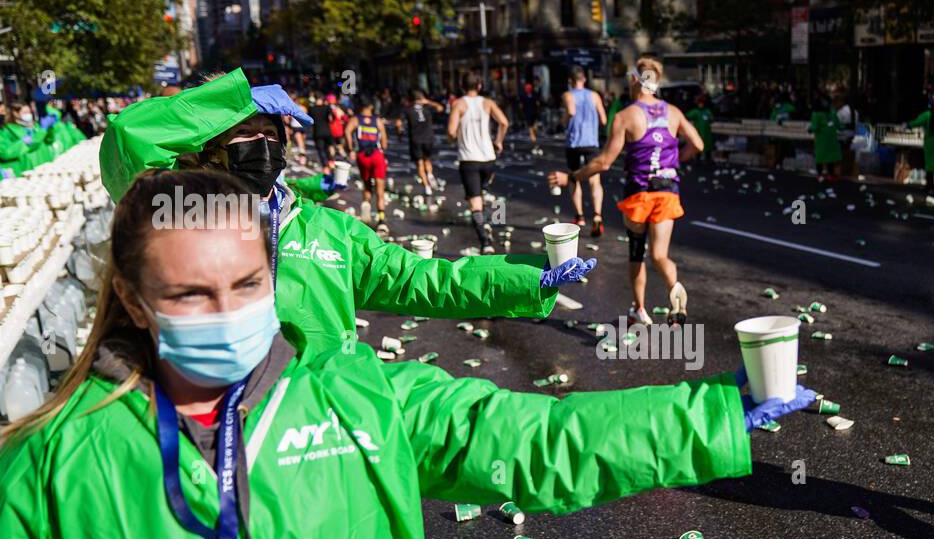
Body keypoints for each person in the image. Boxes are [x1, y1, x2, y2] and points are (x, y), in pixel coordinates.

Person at [0, 166, 814, 539]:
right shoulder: (53, 454)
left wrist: (704, 418)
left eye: (248, 284)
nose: (230, 314)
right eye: (191, 295)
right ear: (137, 304)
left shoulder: (358, 394)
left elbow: (524, 435)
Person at [97, 69, 590, 361]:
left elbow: (423, 280)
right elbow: (128, 139)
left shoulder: (325, 230)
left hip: (322, 423)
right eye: (245, 133)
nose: (266, 144)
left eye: (273, 134)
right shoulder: (182, 217)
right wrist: (227, 101)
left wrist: (531, 277)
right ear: (205, 149)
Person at [548, 55, 704, 328]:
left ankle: (639, 309)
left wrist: (572, 176)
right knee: (659, 255)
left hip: (639, 193)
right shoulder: (673, 112)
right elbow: (698, 145)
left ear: (635, 81)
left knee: (636, 251)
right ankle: (676, 293)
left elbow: (604, 162)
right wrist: (675, 161)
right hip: (668, 191)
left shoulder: (626, 116)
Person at [447, 73, 510, 254]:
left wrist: (456, 137)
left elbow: (451, 132)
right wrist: (498, 141)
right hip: (488, 158)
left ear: (461, 86)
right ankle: (494, 221)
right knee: (486, 194)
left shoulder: (458, 104)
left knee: (475, 202)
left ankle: (485, 242)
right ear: (480, 86)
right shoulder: (488, 103)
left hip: (469, 159)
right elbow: (504, 122)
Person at [562, 66, 608, 236]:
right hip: (591, 142)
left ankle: (580, 216)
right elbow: (603, 119)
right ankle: (597, 215)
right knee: (594, 180)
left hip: (574, 142)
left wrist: (564, 120)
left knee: (574, 178)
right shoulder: (594, 95)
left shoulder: (568, 95)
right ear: (584, 80)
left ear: (570, 81)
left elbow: (571, 112)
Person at [345, 96, 389, 228]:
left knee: (366, 183)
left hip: (363, 155)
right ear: (371, 107)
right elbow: (384, 140)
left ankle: (366, 205)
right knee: (380, 188)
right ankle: (381, 219)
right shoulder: (378, 120)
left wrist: (351, 148)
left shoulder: (355, 120)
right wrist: (383, 147)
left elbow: (347, 131)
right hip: (376, 155)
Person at [404, 89, 445, 198]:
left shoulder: (408, 110)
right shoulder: (427, 108)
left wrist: (399, 133)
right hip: (428, 138)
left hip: (415, 140)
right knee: (427, 160)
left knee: (419, 164)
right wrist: (429, 102)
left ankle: (427, 187)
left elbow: (399, 123)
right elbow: (441, 108)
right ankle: (430, 175)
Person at [808, 98, 843, 181]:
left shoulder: (816, 114)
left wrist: (809, 129)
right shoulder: (832, 112)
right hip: (832, 138)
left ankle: (820, 175)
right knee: (830, 157)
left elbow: (815, 127)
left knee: (820, 156)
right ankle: (831, 175)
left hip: (821, 138)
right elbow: (838, 125)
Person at [686, 91, 715, 166]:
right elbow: (687, 116)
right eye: (699, 103)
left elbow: (711, 119)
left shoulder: (707, 111)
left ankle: (708, 160)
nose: (701, 104)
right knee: (698, 146)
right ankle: (697, 160)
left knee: (707, 147)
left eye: (702, 103)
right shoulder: (695, 112)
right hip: (699, 133)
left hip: (707, 134)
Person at [308, 92, 334, 168]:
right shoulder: (327, 107)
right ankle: (331, 161)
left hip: (317, 131)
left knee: (321, 149)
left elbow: (310, 121)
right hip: (327, 131)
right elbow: (331, 119)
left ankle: (325, 165)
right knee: (329, 146)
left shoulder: (312, 109)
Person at [520, 79, 541, 154]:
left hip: (534, 113)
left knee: (534, 127)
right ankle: (534, 141)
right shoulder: (523, 95)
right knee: (530, 128)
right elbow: (521, 105)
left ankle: (535, 138)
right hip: (528, 113)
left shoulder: (534, 94)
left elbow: (538, 103)